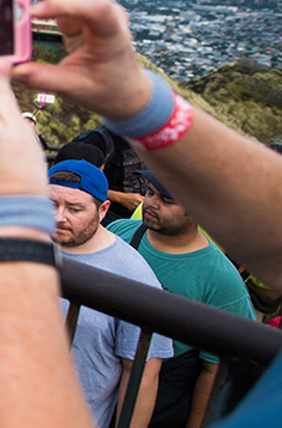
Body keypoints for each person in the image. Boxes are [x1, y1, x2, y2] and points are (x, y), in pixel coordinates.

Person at [0, 0, 282, 428]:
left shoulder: (144, 271)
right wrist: (139, 101)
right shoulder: (128, 241)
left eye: (74, 208)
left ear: (101, 212)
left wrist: (4, 210)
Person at [107, 170, 254, 428]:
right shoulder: (119, 232)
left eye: (167, 199)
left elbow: (215, 371)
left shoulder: (222, 281)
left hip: (162, 399)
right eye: (150, 192)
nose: (151, 203)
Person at [48, 160, 172, 428]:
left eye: (75, 209)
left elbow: (142, 375)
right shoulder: (23, 242)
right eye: (51, 204)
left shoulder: (133, 276)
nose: (59, 217)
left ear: (103, 210)